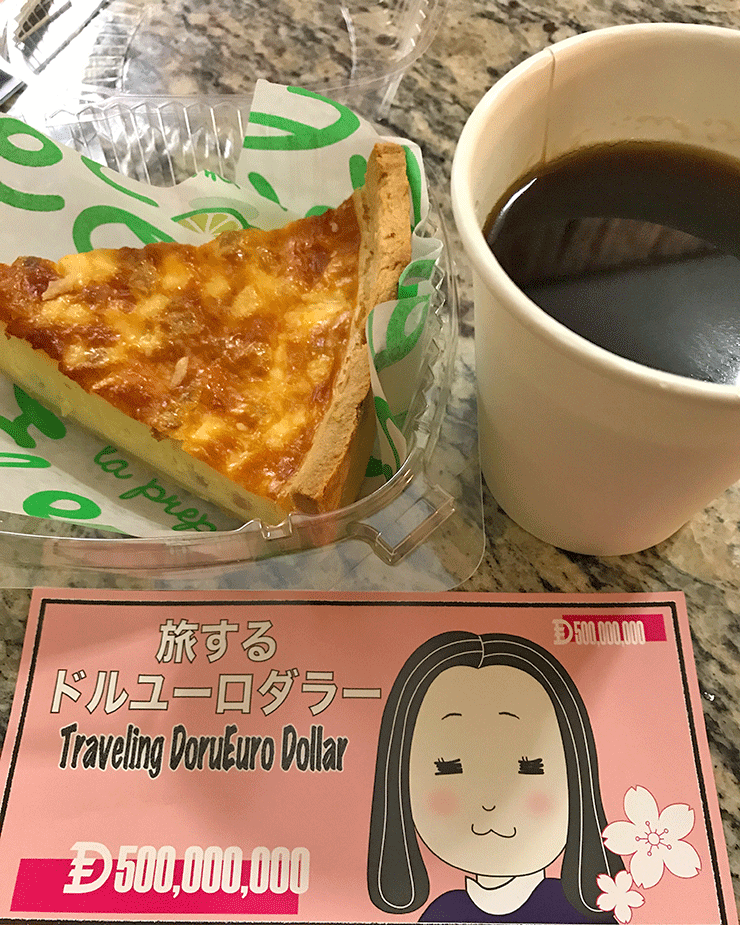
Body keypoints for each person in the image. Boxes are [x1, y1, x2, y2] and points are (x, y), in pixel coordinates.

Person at [367, 631, 621, 923]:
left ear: (577, 775)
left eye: (529, 768)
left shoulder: (580, 913)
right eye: (449, 768)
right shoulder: (443, 912)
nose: (489, 802)